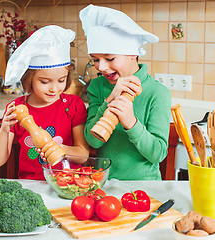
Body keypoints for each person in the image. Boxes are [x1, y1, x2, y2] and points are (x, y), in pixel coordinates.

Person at [80, 5, 171, 180]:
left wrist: (131, 122)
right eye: (95, 60)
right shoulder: (97, 87)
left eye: (110, 58)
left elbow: (157, 154)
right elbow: (93, 141)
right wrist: (108, 101)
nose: (102, 67)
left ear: (132, 54)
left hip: (144, 187)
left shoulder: (158, 93)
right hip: (102, 182)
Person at [0, 25, 89, 180]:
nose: (54, 89)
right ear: (29, 79)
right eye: (44, 82)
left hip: (67, 183)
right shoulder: (18, 109)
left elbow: (83, 154)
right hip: (31, 185)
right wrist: (4, 129)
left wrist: (58, 149)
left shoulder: (72, 105)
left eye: (61, 80)